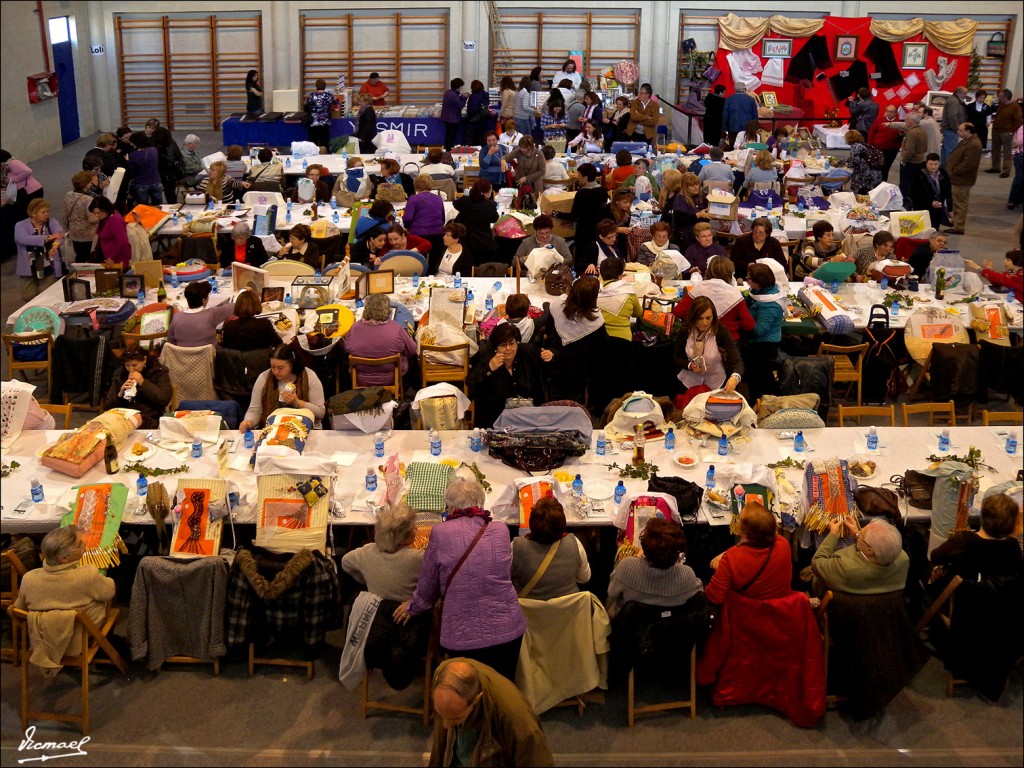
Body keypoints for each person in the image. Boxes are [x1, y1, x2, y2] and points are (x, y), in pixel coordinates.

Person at [394, 477, 526, 681]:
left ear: (452, 506)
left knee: (465, 691)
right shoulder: (500, 530)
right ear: (481, 503)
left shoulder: (439, 531)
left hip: (462, 635)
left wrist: (414, 606)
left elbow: (428, 584)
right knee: (502, 689)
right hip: (508, 628)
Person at [14, 526, 116, 667]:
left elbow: (19, 610)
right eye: (80, 545)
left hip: (42, 641)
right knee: (112, 605)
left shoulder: (29, 579)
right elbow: (109, 591)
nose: (84, 546)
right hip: (82, 637)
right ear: (64, 558)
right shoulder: (86, 575)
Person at [429, 658, 554, 767]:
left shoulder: (519, 723)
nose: (446, 725)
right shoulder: (442, 678)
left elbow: (537, 761)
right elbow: (439, 752)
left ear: (476, 699)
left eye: (455, 718)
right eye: (440, 713)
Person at [606, 518, 703, 618]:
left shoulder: (626, 567)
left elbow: (612, 593)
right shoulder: (688, 575)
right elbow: (699, 593)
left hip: (632, 628)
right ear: (677, 552)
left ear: (644, 547)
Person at [929, 492, 1021, 591]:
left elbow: (934, 557)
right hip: (997, 601)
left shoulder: (964, 540)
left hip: (960, 597)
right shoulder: (1013, 545)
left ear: (983, 515)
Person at [543, 275, 610, 409]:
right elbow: (603, 347)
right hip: (579, 370)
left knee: (555, 401)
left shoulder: (557, 305)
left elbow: (548, 329)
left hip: (556, 363)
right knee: (575, 404)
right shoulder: (595, 321)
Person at [467, 322, 550, 429]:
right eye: (503, 345)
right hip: (496, 420)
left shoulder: (528, 352)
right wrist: (489, 369)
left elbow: (551, 358)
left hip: (528, 419)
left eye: (512, 344)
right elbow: (470, 383)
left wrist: (551, 354)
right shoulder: (487, 358)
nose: (508, 348)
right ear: (496, 347)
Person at [705, 503, 792, 604]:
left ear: (744, 532)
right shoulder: (783, 544)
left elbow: (714, 597)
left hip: (747, 614)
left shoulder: (731, 559)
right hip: (782, 611)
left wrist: (726, 556)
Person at [511, 495, 591, 599]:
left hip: (528, 613)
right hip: (567, 611)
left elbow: (506, 578)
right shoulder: (575, 544)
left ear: (531, 525)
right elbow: (584, 578)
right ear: (563, 525)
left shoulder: (516, 547)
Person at [811, 517, 910, 596]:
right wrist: (857, 535)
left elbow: (817, 562)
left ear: (869, 550)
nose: (859, 532)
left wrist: (833, 535)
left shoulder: (845, 567)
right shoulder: (903, 559)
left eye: (861, 533)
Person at [240, 344, 326, 431]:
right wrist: (249, 422)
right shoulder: (264, 378)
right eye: (273, 367)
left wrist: (297, 403)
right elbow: (255, 410)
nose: (276, 372)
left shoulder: (309, 376)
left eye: (280, 368)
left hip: (306, 430)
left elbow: (320, 413)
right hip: (273, 430)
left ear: (292, 364)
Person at [674, 295, 743, 402]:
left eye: (708, 318)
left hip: (715, 383)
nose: (705, 322)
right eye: (700, 318)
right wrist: (690, 365)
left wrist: (735, 377)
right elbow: (677, 358)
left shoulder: (721, 331)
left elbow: (737, 361)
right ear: (693, 318)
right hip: (689, 383)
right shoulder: (685, 330)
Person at [343, 293, 418, 386]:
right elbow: (412, 350)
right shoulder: (396, 328)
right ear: (387, 310)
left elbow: (346, 347)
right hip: (392, 377)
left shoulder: (355, 327)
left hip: (361, 378)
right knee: (411, 359)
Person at [675, 256, 754, 340]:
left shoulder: (699, 288)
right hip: (727, 341)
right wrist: (733, 325)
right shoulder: (734, 293)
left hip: (700, 338)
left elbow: (678, 311)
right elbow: (749, 324)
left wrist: (696, 320)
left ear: (709, 270)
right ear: (730, 273)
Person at [743, 263, 785, 402]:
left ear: (759, 283)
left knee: (759, 380)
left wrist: (740, 319)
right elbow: (749, 297)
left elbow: (758, 330)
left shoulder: (770, 304)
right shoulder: (759, 291)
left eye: (749, 278)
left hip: (764, 346)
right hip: (757, 344)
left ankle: (760, 403)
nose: (746, 279)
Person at [103, 345, 173, 428]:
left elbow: (164, 399)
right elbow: (107, 406)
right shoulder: (120, 373)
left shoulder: (159, 371)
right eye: (127, 365)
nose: (131, 369)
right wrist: (120, 394)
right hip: (124, 418)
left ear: (144, 360)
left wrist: (143, 382)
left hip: (151, 419)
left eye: (134, 365)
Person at [15, 198, 65, 301]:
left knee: (50, 295)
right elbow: (22, 239)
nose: (47, 214)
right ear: (33, 213)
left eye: (47, 211)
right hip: (28, 265)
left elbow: (60, 236)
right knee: (28, 296)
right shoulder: (20, 225)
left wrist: (55, 246)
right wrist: (48, 237)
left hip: (48, 264)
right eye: (43, 212)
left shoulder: (52, 221)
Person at [168, 280, 235, 348]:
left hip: (182, 357)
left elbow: (171, 342)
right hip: (210, 357)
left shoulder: (176, 317)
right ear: (203, 300)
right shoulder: (211, 314)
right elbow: (233, 306)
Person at [945, 122, 983, 235]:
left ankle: (959, 226)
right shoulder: (966, 141)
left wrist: (954, 171)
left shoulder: (974, 145)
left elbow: (968, 164)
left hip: (962, 180)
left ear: (968, 131)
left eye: (960, 130)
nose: (958, 132)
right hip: (957, 178)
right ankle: (956, 222)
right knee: (957, 203)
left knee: (960, 204)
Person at [597, 255, 644, 347]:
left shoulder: (593, 290)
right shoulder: (628, 291)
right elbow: (638, 313)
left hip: (598, 340)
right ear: (620, 275)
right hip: (623, 341)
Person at [402, 175, 446, 270]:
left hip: (418, 234)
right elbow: (442, 218)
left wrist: (407, 228)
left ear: (416, 185)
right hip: (437, 234)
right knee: (434, 262)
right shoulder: (438, 198)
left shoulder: (413, 199)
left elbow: (407, 219)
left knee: (418, 263)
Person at [453, 179, 498, 266]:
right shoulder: (490, 205)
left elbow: (455, 204)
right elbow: (494, 219)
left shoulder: (463, 201)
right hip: (483, 244)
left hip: (465, 242)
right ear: (484, 193)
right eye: (490, 191)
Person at [568, 163, 609, 259]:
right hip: (598, 230)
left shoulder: (581, 193)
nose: (578, 178)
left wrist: (554, 212)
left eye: (579, 176)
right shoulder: (603, 190)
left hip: (584, 232)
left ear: (585, 178)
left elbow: (573, 216)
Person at [63, 171, 99, 263]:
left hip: (74, 233)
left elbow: (65, 215)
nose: (91, 184)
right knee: (86, 257)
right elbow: (91, 220)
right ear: (86, 184)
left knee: (79, 256)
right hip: (87, 235)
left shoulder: (68, 195)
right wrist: (101, 216)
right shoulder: (88, 199)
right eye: (90, 182)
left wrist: (67, 230)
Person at [910, 153, 952, 230]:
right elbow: (915, 194)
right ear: (926, 163)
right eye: (931, 164)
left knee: (935, 229)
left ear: (939, 163)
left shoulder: (943, 174)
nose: (933, 167)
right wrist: (930, 203)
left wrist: (950, 209)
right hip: (922, 209)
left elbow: (948, 192)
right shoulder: (919, 174)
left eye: (936, 164)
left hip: (937, 210)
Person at [670, 172, 712, 251]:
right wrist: (698, 215)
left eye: (697, 184)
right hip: (687, 238)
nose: (696, 187)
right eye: (692, 185)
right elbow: (680, 219)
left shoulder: (701, 197)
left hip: (701, 235)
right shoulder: (680, 198)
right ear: (685, 187)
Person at [87, 196, 130, 269]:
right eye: (95, 213)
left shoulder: (114, 219)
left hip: (117, 261)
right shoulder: (106, 218)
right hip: (111, 259)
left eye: (98, 212)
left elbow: (123, 241)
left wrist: (111, 257)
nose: (97, 215)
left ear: (105, 209)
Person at [989, 89, 1023, 178]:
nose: (999, 98)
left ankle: (1006, 170)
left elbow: (1018, 121)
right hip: (996, 130)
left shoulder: (1015, 107)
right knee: (995, 149)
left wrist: (1012, 132)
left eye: (1000, 96)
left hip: (1007, 132)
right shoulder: (1001, 105)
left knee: (1007, 151)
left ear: (1005, 97)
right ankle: (995, 167)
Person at [898, 114, 929, 209]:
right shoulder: (922, 131)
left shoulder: (912, 133)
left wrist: (903, 161)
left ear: (912, 121)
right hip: (919, 161)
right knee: (914, 185)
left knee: (905, 186)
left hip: (910, 163)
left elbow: (909, 150)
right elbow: (925, 147)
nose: (905, 121)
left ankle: (904, 205)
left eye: (907, 119)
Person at [867, 103, 904, 181]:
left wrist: (897, 147)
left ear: (895, 113)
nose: (889, 113)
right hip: (877, 148)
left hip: (891, 151)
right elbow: (871, 133)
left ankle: (883, 185)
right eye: (887, 111)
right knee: (876, 168)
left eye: (891, 111)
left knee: (886, 169)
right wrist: (870, 147)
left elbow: (901, 137)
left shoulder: (898, 123)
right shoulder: (879, 120)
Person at [125, 132, 164, 205]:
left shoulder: (132, 156)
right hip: (156, 181)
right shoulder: (154, 150)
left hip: (141, 183)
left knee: (143, 206)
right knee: (158, 205)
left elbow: (132, 172)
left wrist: (128, 161)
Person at [596, 188, 634, 256]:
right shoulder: (606, 209)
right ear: (617, 201)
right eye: (625, 202)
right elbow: (601, 227)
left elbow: (626, 226)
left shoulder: (627, 212)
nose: (628, 205)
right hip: (606, 241)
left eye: (630, 202)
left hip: (621, 241)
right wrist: (618, 229)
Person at [845, 130, 882, 195]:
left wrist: (847, 164)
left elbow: (855, 162)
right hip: (874, 173)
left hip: (865, 175)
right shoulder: (865, 145)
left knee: (861, 194)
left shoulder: (856, 147)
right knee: (871, 193)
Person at [304, 79, 337, 151]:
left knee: (313, 143)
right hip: (324, 123)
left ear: (316, 86)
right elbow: (336, 103)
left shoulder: (311, 96)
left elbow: (306, 107)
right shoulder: (328, 96)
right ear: (325, 86)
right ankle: (325, 156)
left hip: (313, 122)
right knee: (324, 142)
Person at [722, 83, 759, 149]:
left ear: (734, 89)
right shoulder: (751, 100)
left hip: (733, 127)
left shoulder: (728, 99)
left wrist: (725, 128)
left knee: (734, 147)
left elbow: (725, 115)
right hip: (748, 128)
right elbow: (755, 115)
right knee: (748, 148)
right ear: (744, 89)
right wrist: (755, 127)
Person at [939, 87, 968, 167]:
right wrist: (957, 129)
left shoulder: (955, 100)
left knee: (945, 149)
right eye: (964, 93)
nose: (965, 95)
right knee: (950, 150)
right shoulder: (954, 101)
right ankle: (949, 168)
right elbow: (952, 116)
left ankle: (944, 166)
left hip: (950, 129)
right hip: (951, 129)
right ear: (959, 93)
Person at [441, 78, 468, 150]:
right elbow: (460, 105)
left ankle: (448, 148)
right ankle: (449, 149)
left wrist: (461, 96)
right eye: (461, 86)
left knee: (448, 135)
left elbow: (457, 97)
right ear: (458, 86)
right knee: (451, 136)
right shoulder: (454, 95)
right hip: (453, 119)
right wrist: (465, 98)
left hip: (446, 117)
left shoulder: (448, 92)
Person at [464, 79, 491, 147]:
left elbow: (472, 109)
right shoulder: (486, 95)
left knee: (470, 140)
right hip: (483, 120)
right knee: (482, 140)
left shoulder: (474, 96)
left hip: (473, 122)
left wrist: (468, 117)